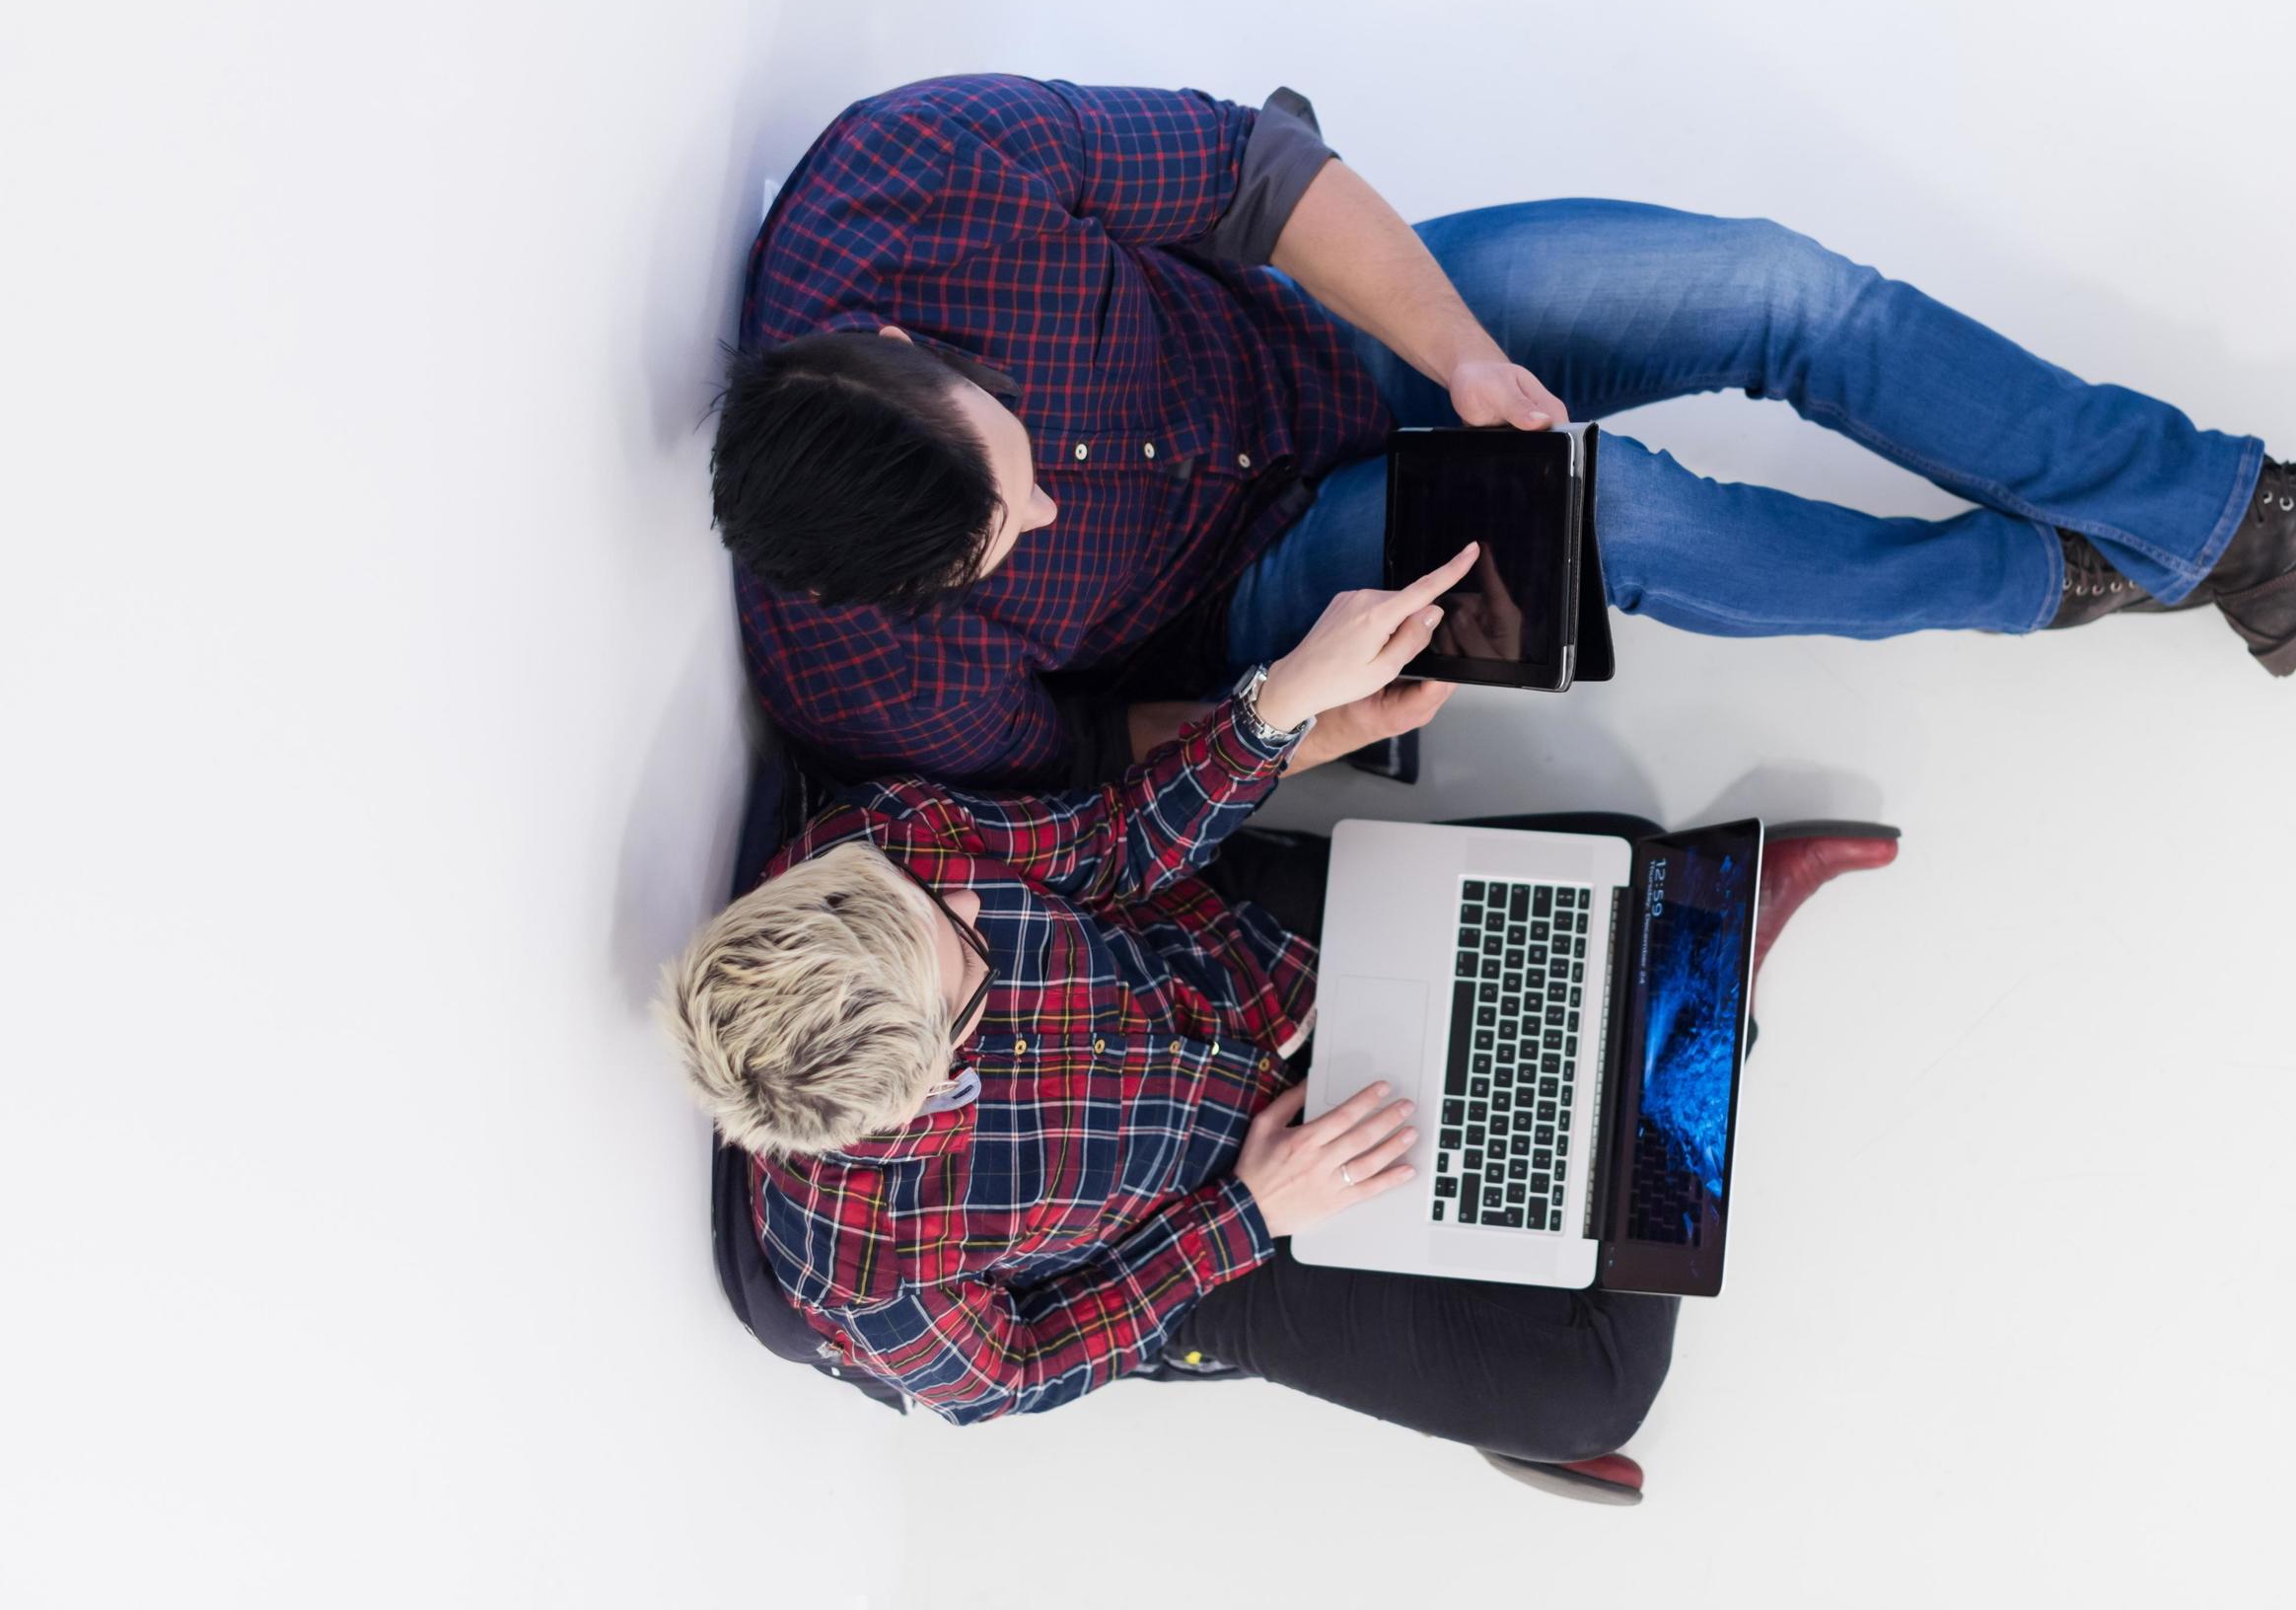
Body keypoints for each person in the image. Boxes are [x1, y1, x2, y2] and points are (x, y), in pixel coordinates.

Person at [712, 75, 2296, 791]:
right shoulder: (855, 657)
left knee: (1769, 287)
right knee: (1623, 523)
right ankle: (2065, 577)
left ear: (890, 341)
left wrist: (1455, 350)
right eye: (998, 560)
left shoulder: (912, 175)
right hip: (1267, 585)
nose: (1031, 533)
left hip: (1333, 338)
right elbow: (1083, 756)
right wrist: (1296, 714)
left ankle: (2228, 532)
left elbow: (1261, 179)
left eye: (1009, 485)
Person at [662, 560, 1897, 1503]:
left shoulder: (882, 860)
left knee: (1612, 868)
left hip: (1219, 970)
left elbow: (1104, 849)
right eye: (972, 960)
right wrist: (1251, 1214)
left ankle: (1692, 986)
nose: (979, 902)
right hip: (1214, 1226)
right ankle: (1695, 1009)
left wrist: (1278, 707)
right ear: (929, 1089)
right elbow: (1022, 1370)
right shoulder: (870, 1275)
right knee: (1595, 1392)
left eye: (942, 905)